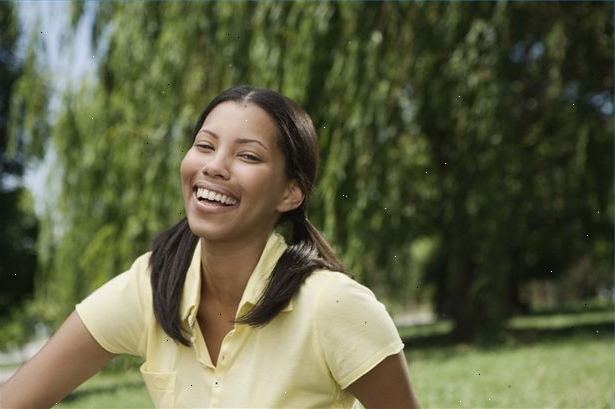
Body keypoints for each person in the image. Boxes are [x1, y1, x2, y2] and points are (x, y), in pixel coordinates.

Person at [1, 85, 421, 408]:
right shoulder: (149, 285)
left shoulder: (333, 306)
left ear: (290, 193)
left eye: (249, 156)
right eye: (205, 145)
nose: (214, 166)